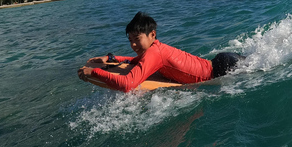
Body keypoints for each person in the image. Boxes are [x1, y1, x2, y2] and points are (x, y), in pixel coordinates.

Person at [78, 12, 243, 92]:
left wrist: (94, 72)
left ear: (152, 35)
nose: (134, 45)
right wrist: (111, 58)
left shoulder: (153, 53)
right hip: (220, 61)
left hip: (223, 69)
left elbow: (128, 84)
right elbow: (137, 61)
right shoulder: (154, 49)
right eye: (130, 41)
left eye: (137, 39)